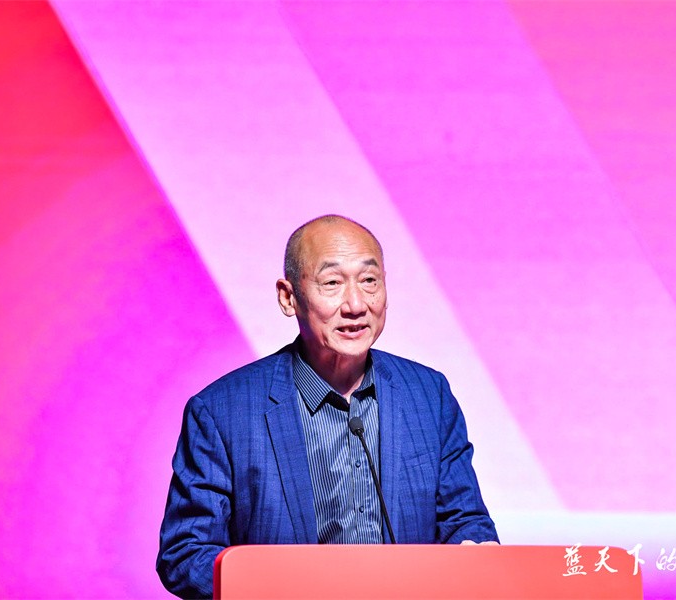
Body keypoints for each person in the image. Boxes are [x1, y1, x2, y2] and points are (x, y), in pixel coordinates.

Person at [156, 215, 498, 598]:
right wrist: (282, 587)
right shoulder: (222, 412)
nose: (356, 304)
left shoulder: (428, 395)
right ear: (288, 298)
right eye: (332, 283)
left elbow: (465, 520)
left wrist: (474, 551)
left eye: (369, 281)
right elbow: (185, 554)